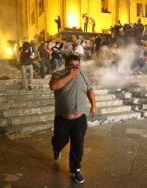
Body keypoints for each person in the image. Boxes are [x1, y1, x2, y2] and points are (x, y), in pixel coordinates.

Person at [49, 54, 96, 184]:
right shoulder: (58, 74)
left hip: (79, 119)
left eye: (77, 65)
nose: (75, 68)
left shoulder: (83, 75)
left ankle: (76, 170)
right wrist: (70, 75)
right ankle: (56, 148)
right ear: (66, 65)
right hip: (63, 118)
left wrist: (93, 105)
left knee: (78, 145)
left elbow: (90, 90)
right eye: (72, 66)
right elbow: (53, 86)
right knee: (59, 140)